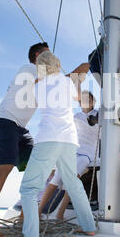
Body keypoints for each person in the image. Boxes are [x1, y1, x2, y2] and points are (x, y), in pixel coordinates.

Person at [0, 43, 89, 237]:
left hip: (20, 127)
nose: (52, 56)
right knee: (5, 165)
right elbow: (63, 82)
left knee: (44, 168)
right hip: (5, 121)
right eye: (48, 53)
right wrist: (85, 66)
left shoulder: (44, 77)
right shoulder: (29, 69)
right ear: (38, 56)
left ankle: (24, 216)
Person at [8, 51, 96, 237]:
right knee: (73, 184)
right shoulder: (67, 82)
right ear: (58, 65)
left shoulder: (37, 86)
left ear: (40, 69)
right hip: (70, 140)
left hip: (48, 138)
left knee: (29, 189)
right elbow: (77, 97)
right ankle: (89, 227)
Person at [38, 90, 99, 220]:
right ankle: (38, 212)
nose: (85, 102)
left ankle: (60, 213)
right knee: (56, 179)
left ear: (93, 101)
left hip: (87, 153)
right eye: (82, 100)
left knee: (72, 178)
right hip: (73, 151)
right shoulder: (75, 117)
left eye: (88, 99)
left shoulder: (99, 115)